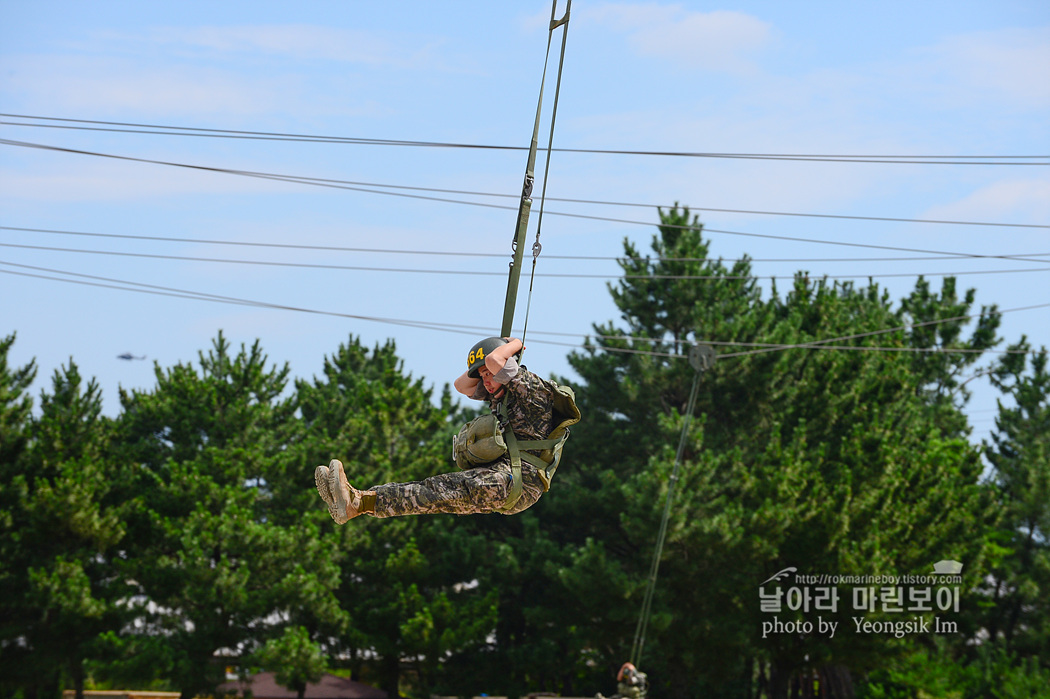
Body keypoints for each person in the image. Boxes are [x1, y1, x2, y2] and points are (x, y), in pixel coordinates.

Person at [314, 336, 564, 522]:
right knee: (435, 491)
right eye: (483, 376)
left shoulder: (531, 390)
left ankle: (356, 502)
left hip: (520, 482)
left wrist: (515, 343)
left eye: (491, 374)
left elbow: (494, 360)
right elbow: (462, 385)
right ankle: (357, 502)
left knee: (439, 491)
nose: (486, 381)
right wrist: (483, 366)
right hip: (505, 478)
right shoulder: (502, 394)